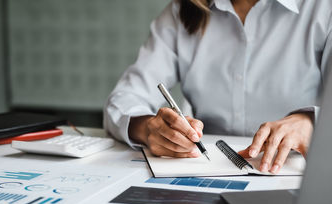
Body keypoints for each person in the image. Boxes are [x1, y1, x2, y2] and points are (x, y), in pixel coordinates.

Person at [104, 0, 332, 174]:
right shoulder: (181, 11)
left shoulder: (323, 9)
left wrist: (311, 123)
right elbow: (124, 100)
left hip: (295, 175)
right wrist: (148, 129)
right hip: (204, 171)